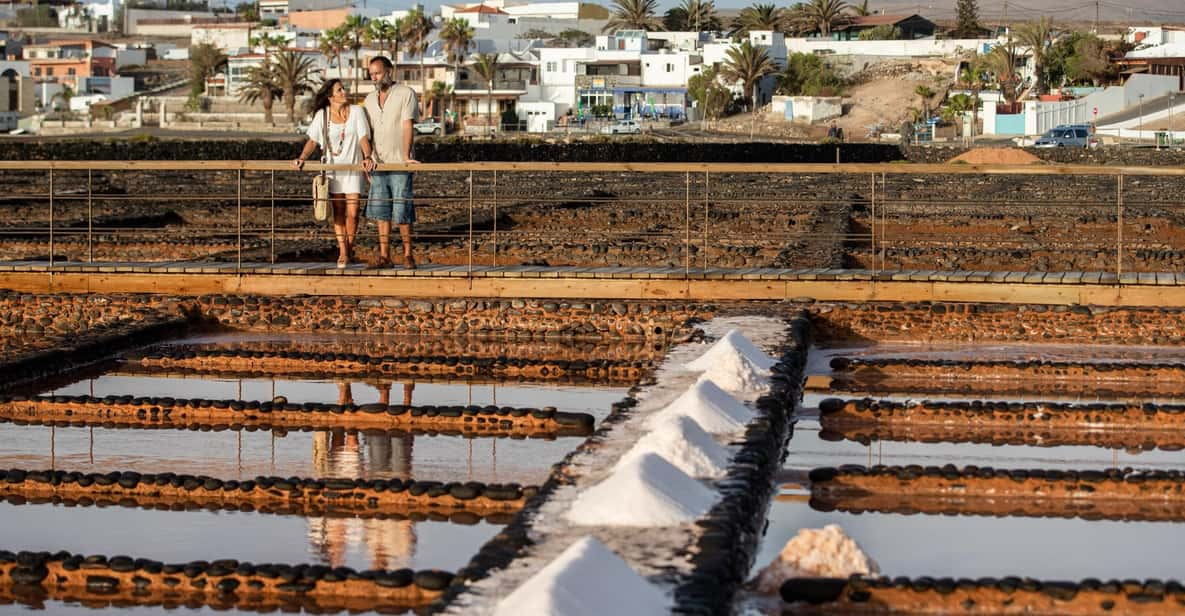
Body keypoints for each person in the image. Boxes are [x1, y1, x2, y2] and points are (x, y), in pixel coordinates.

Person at [293, 79, 374, 269]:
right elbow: (313, 141)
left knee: (353, 213)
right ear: (330, 97)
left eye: (343, 89)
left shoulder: (356, 112)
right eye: (339, 90)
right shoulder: (323, 115)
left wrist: (368, 156)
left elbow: (363, 138)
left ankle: (349, 248)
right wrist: (302, 157)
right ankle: (344, 252)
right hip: (332, 170)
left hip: (353, 169)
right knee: (338, 211)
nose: (344, 92)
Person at [362, 55, 419, 270]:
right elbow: (365, 133)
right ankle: (384, 256)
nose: (374, 77)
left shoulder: (406, 93)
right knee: (380, 211)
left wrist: (406, 156)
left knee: (403, 209)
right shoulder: (368, 100)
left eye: (377, 73)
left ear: (389, 71)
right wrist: (366, 158)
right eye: (371, 74)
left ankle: (408, 254)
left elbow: (407, 126)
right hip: (378, 164)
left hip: (399, 163)